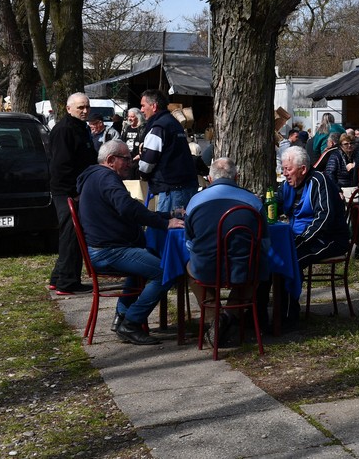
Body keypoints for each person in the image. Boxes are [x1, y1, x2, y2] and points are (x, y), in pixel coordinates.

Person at [76, 140, 184, 345]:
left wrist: (165, 215)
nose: (130, 163)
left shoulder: (95, 177)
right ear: (110, 160)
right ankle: (131, 323)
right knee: (165, 271)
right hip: (109, 251)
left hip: (107, 248)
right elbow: (127, 208)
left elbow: (129, 207)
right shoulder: (107, 178)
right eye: (125, 159)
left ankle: (122, 318)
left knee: (144, 262)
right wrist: (166, 223)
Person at [184, 157, 265, 347]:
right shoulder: (253, 202)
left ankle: (215, 317)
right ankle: (228, 315)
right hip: (242, 269)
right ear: (237, 177)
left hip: (206, 268)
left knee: (189, 268)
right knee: (258, 266)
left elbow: (189, 242)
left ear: (210, 179)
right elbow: (264, 243)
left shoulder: (195, 202)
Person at [48, 92, 98, 295]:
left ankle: (59, 277)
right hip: (67, 191)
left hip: (77, 189)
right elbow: (61, 166)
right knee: (71, 235)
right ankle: (67, 282)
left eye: (87, 107)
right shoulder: (65, 130)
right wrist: (73, 192)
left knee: (72, 234)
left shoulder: (80, 128)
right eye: (80, 108)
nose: (85, 111)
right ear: (69, 109)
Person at [281, 146, 351, 268]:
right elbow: (276, 204)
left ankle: (290, 287)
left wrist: (302, 240)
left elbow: (325, 217)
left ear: (303, 169)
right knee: (273, 255)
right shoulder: (287, 185)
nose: (284, 174)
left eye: (288, 169)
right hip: (300, 237)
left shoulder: (319, 181)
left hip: (329, 238)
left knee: (290, 259)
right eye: (283, 169)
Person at [138, 89, 199, 213]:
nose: (142, 110)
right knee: (182, 229)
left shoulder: (159, 127)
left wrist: (142, 173)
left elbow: (147, 163)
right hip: (185, 186)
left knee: (169, 228)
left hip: (171, 190)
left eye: (143, 106)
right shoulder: (174, 124)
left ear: (154, 106)